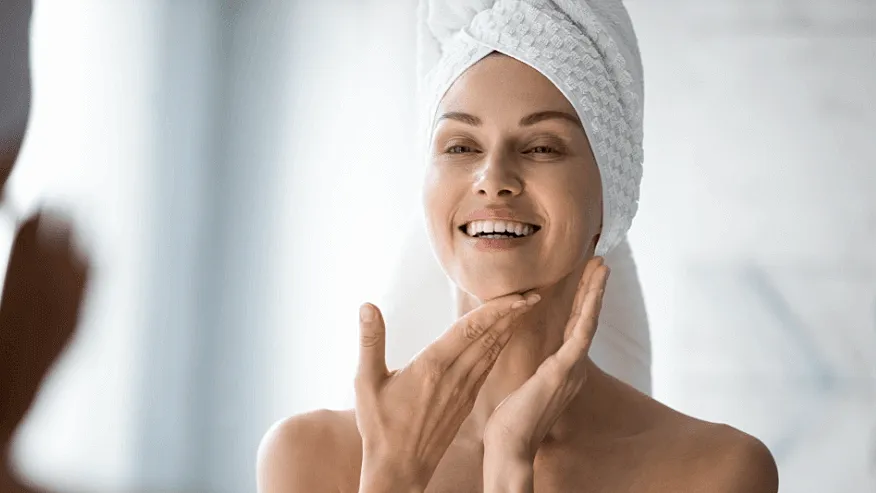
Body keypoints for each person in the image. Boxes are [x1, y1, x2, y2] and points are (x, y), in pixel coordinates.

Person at [256, 1, 779, 492]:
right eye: (460, 146)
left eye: (542, 147)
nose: (493, 178)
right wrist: (393, 475)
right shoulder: (308, 458)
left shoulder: (714, 471)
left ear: (611, 194)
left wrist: (509, 466)